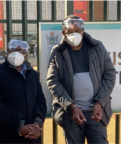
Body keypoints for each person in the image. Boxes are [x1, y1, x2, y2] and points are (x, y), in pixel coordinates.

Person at [47, 15, 116, 144]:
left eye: (78, 31)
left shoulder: (97, 47)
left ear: (83, 31)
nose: (75, 35)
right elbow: (53, 81)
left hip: (96, 113)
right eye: (71, 32)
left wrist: (99, 103)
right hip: (71, 116)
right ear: (64, 33)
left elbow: (110, 74)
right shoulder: (57, 52)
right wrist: (72, 106)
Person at [0, 39, 47, 144]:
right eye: (13, 50)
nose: (17, 53)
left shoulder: (33, 74)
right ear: (7, 53)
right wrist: (20, 127)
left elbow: (40, 100)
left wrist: (37, 123)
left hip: (33, 137)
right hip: (8, 137)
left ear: (26, 55)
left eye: (21, 51)